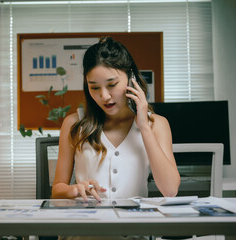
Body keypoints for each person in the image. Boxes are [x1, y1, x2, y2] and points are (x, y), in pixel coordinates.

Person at [52, 36, 180, 204]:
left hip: (134, 226)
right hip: (87, 225)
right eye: (94, 87)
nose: (104, 96)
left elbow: (170, 190)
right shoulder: (74, 124)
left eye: (112, 84)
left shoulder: (157, 124)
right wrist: (74, 189)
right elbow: (56, 191)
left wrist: (144, 127)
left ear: (130, 78)